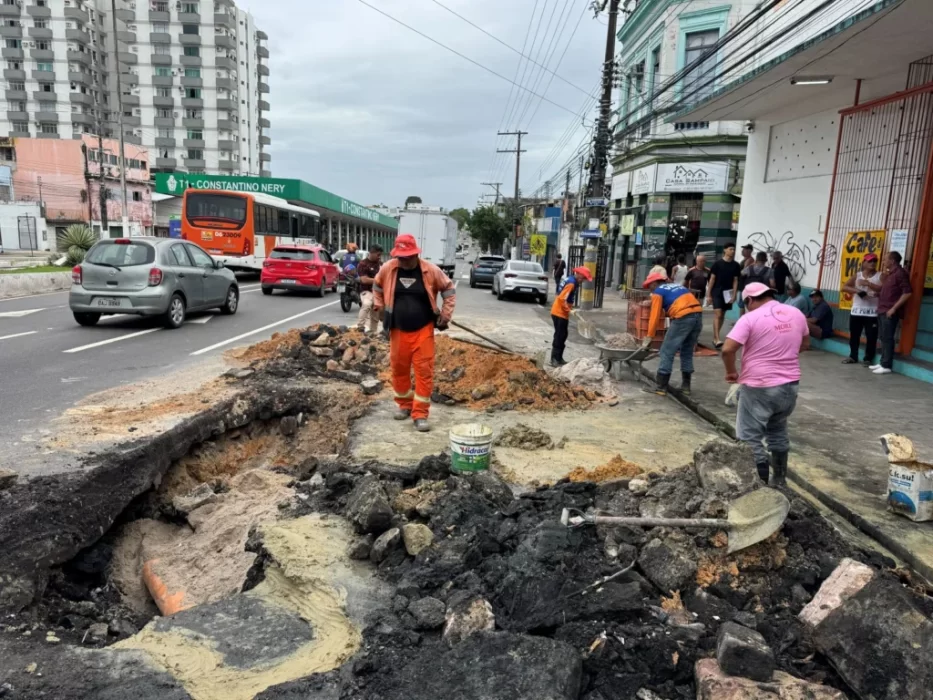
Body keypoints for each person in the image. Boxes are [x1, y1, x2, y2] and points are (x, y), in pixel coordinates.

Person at [721, 282, 809, 486]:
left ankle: (759, 487)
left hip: (759, 385)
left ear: (750, 300)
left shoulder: (750, 318)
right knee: (777, 430)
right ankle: (779, 480)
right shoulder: (795, 313)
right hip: (790, 385)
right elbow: (805, 344)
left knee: (749, 436)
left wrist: (731, 372)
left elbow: (727, 350)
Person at [373, 234, 456, 433]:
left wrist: (445, 313)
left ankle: (420, 414)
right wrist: (379, 305)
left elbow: (449, 289)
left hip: (423, 329)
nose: (403, 261)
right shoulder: (388, 268)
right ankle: (404, 405)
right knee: (399, 369)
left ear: (415, 254)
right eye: (400, 257)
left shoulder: (430, 270)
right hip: (398, 329)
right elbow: (376, 286)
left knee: (423, 372)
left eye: (407, 257)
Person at [642, 271, 704, 396]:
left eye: (650, 286)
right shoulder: (678, 286)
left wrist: (649, 336)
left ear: (655, 283)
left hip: (683, 317)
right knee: (686, 351)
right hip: (698, 315)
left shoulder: (658, 292)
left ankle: (661, 387)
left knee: (666, 351)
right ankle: (686, 387)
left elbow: (654, 316)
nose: (650, 289)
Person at [873, 250, 913, 375]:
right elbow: (891, 292)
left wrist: (894, 308)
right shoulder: (891, 274)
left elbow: (907, 292)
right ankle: (882, 361)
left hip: (889, 310)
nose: (884, 261)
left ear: (892, 261)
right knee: (883, 337)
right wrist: (877, 294)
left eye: (885, 259)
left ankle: (886, 364)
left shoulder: (900, 274)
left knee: (888, 338)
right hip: (882, 309)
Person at [841, 252, 882, 366]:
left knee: (871, 336)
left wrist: (869, 284)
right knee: (854, 335)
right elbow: (844, 287)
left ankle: (868, 358)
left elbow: (884, 289)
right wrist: (858, 291)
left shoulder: (880, 276)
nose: (872, 263)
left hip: (872, 312)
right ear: (864, 263)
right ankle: (853, 356)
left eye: (874, 261)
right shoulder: (857, 275)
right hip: (857, 310)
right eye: (869, 261)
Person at [550, 266, 592, 367]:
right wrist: (570, 310)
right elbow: (561, 299)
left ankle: (559, 358)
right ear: (579, 275)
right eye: (584, 278)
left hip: (560, 312)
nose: (584, 280)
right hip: (559, 313)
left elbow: (565, 297)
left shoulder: (570, 279)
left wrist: (570, 308)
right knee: (559, 336)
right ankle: (554, 359)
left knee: (563, 335)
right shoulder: (571, 283)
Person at [706, 244, 742, 348]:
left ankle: (715, 337)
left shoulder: (736, 265)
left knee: (722, 314)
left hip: (728, 292)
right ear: (725, 250)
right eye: (730, 249)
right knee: (718, 313)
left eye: (734, 249)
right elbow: (712, 279)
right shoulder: (717, 264)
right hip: (717, 291)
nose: (732, 251)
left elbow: (735, 280)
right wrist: (708, 295)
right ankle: (717, 338)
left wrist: (734, 294)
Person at [356, 244, 383, 333]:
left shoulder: (380, 264)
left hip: (378, 291)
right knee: (367, 304)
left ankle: (373, 332)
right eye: (378, 255)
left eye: (380, 255)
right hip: (366, 291)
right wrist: (379, 280)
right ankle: (360, 326)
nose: (379, 257)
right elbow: (364, 280)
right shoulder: (363, 264)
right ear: (372, 253)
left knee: (376, 313)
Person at [737, 244, 754, 315]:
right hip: (741, 284)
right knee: (740, 304)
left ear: (749, 251)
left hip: (744, 285)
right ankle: (741, 320)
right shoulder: (744, 260)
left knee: (744, 303)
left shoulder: (750, 260)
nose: (742, 251)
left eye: (745, 249)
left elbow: (743, 272)